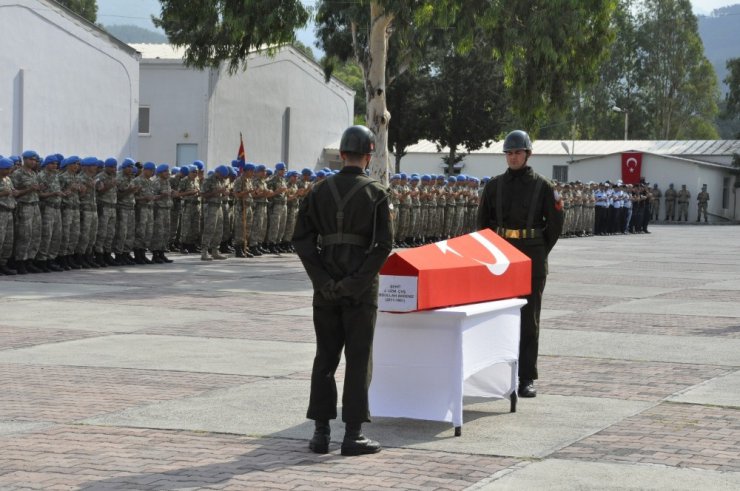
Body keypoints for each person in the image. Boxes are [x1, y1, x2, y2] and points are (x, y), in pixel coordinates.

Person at [292, 125, 393, 456]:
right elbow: (382, 246)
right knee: (358, 358)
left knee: (325, 358)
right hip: (360, 291)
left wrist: (323, 281)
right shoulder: (377, 193)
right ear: (368, 156)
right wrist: (356, 282)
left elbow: (303, 241)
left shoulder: (317, 192)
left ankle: (320, 433)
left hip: (326, 289)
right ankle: (353, 434)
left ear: (342, 155)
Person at [477, 130, 563, 398]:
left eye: (517, 152)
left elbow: (555, 226)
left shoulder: (544, 187)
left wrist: (538, 250)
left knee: (528, 320)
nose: (513, 157)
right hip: (501, 258)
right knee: (498, 318)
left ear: (528, 154)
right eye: (509, 153)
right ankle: (500, 373)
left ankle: (526, 377)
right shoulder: (493, 187)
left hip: (531, 258)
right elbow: (482, 225)